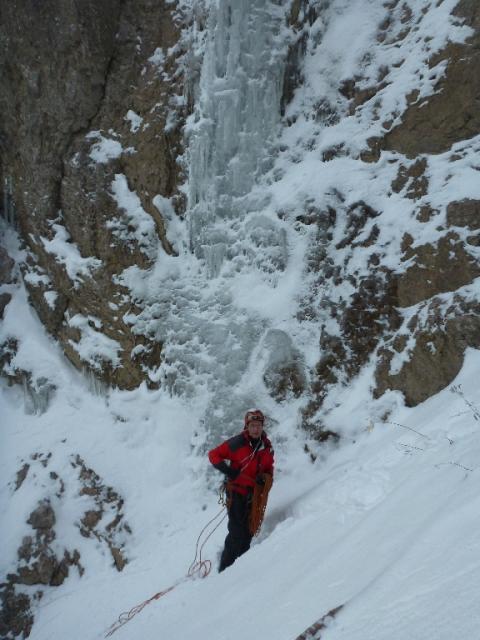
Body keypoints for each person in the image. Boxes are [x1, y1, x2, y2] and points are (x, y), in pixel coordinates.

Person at [208, 409, 274, 572]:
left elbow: (269, 468)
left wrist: (264, 478)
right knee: (236, 532)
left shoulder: (266, 447)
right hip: (236, 492)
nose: (256, 429)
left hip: (253, 495)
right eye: (252, 426)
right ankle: (225, 568)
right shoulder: (237, 443)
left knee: (248, 532)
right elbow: (214, 455)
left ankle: (241, 569)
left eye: (258, 425)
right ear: (247, 426)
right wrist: (229, 471)